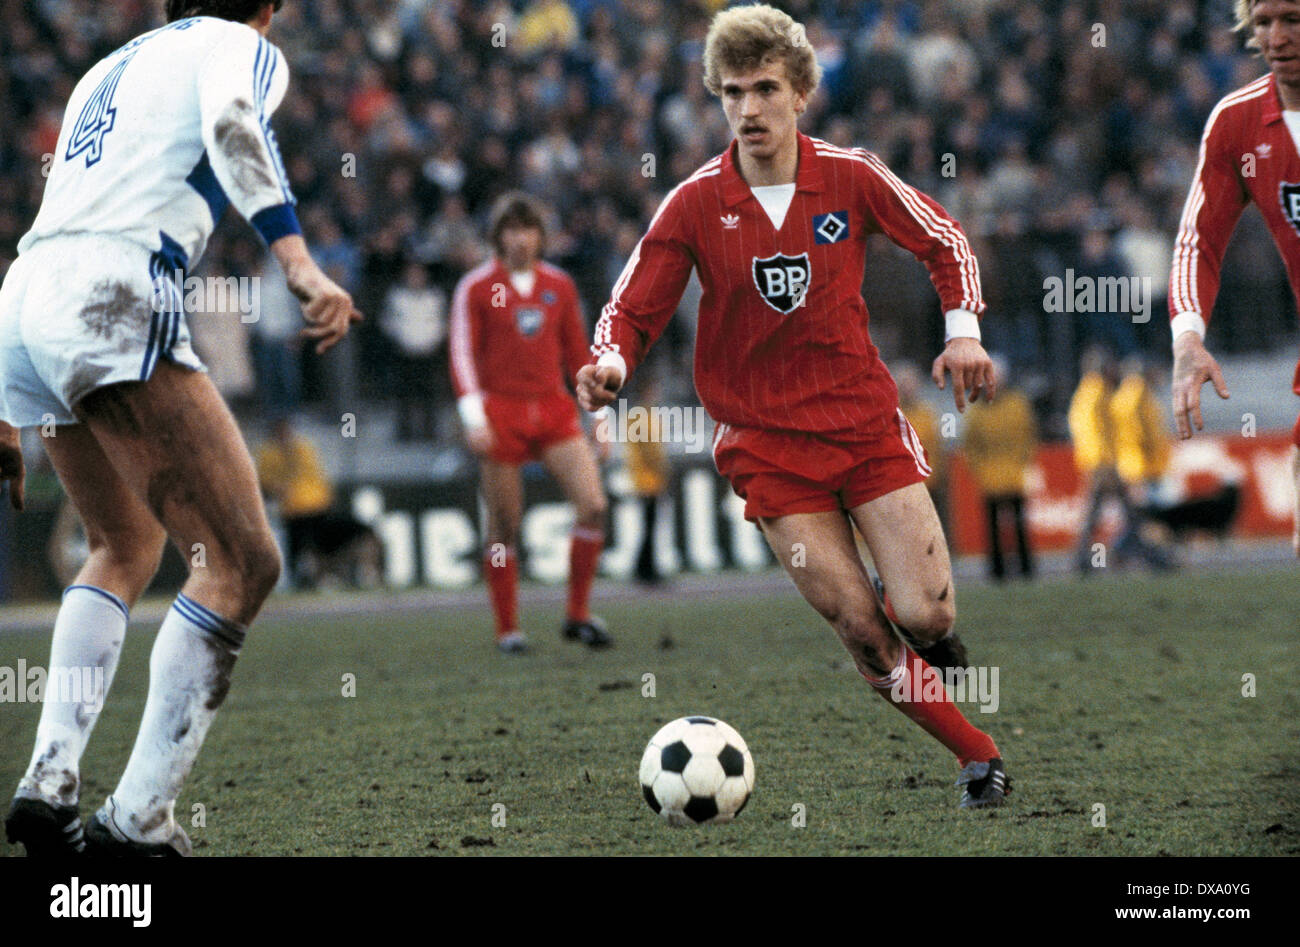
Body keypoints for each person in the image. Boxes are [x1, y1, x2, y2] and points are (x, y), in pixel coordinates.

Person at [578, 5, 1010, 808]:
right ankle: (978, 755)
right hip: (769, 446)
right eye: (731, 93)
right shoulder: (694, 203)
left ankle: (935, 635)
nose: (748, 109)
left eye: (765, 89)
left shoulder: (851, 175)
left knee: (920, 607)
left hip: (864, 426)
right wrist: (609, 362)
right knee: (858, 623)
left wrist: (962, 332)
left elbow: (944, 240)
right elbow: (633, 303)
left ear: (801, 92)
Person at [0, 0, 360, 856]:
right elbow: (237, 123)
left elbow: (70, 213)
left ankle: (47, 783)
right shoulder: (237, 43)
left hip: (25, 297)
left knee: (121, 543)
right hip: (114, 288)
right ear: (268, 8)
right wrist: (298, 260)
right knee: (244, 560)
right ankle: (138, 819)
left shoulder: (106, 70)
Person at [450, 192, 610, 654]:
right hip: (502, 413)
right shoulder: (479, 287)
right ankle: (508, 628)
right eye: (511, 229)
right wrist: (473, 416)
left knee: (594, 505)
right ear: (498, 236)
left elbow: (579, 354)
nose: (520, 239)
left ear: (542, 235)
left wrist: (598, 417)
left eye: (528, 229)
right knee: (504, 524)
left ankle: (577, 614)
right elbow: (461, 354)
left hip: (554, 409)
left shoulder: (558, 285)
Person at [1169, 0, 1300, 557]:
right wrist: (1188, 337)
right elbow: (1198, 242)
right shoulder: (1238, 122)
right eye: (1265, 22)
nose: (1277, 36)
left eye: (1293, 19)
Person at [255, 418, 380, 588]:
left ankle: (344, 576)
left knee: (343, 540)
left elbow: (317, 475)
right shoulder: (268, 454)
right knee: (302, 550)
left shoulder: (303, 448)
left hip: (318, 508)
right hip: (295, 513)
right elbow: (266, 484)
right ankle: (307, 579)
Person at [962, 355, 1038, 581]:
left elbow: (1029, 437)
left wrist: (1023, 463)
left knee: (1020, 525)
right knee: (993, 528)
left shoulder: (1018, 404)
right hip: (991, 478)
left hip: (1015, 475)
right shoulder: (976, 411)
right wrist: (981, 471)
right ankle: (997, 572)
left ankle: (1026, 569)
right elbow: (971, 447)